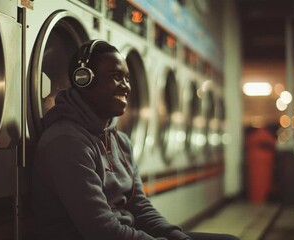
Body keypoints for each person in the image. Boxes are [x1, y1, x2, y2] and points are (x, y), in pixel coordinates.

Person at [31, 39, 240, 240]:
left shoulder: (120, 141)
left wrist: (176, 236)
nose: (126, 87)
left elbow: (139, 205)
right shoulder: (66, 142)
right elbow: (100, 230)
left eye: (127, 78)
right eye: (116, 76)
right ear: (84, 80)